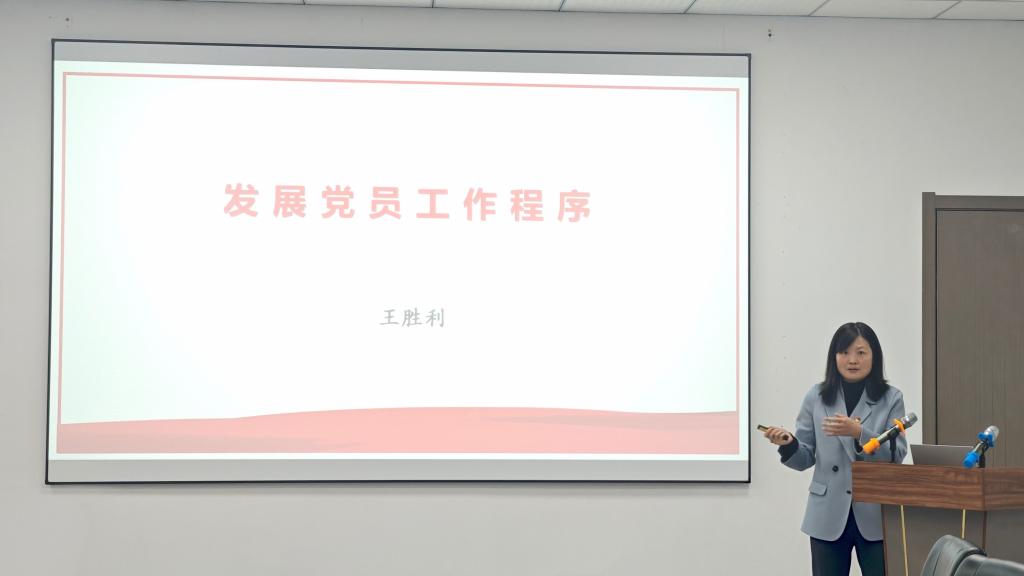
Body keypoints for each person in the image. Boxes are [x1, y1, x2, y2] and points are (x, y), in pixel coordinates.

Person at [763, 322, 907, 576]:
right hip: (827, 511)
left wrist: (859, 433)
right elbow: (804, 458)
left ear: (874, 356)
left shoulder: (891, 398)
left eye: (861, 352)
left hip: (875, 513)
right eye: (844, 352)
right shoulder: (816, 396)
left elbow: (896, 455)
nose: (852, 360)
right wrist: (790, 444)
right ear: (834, 357)